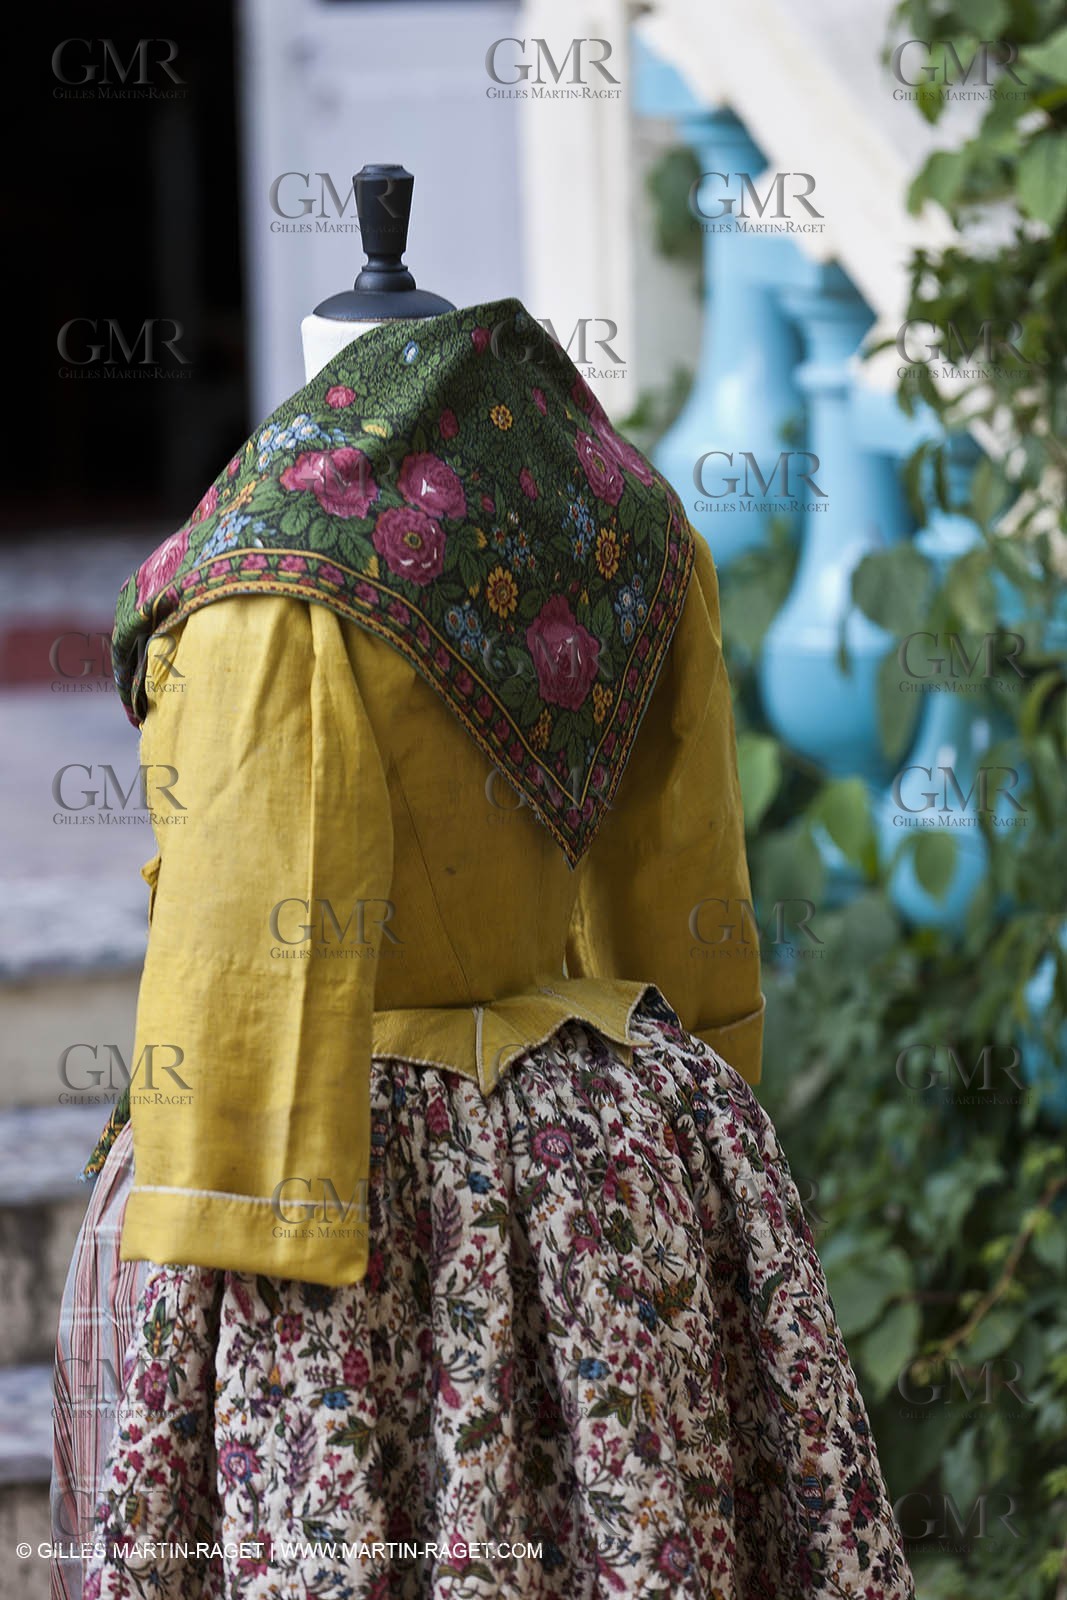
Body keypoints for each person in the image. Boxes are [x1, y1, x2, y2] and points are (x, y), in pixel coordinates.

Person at [51, 300, 915, 1599]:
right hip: (617, 1165)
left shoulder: (276, 579)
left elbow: (249, 975)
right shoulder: (630, 521)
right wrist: (711, 1113)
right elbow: (690, 896)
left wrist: (201, 1226)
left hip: (333, 1186)